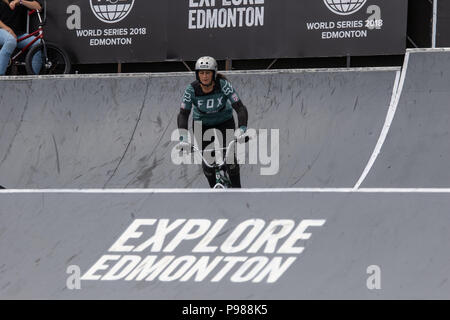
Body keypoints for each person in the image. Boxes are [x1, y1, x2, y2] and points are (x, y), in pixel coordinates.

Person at [177, 56, 249, 188]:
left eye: (208, 73)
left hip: (224, 120)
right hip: (201, 124)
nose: (204, 76)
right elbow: (183, 114)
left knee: (231, 160)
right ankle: (213, 190)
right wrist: (183, 138)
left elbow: (239, 107)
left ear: (214, 74)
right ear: (197, 75)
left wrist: (242, 129)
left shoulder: (223, 85)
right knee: (208, 162)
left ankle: (238, 192)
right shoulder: (191, 90)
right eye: (201, 73)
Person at [0, 0, 42, 75]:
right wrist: (8, 29)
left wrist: (20, 1)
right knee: (10, 41)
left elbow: (38, 7)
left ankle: (34, 79)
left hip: (17, 34)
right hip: (2, 31)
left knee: (38, 44)